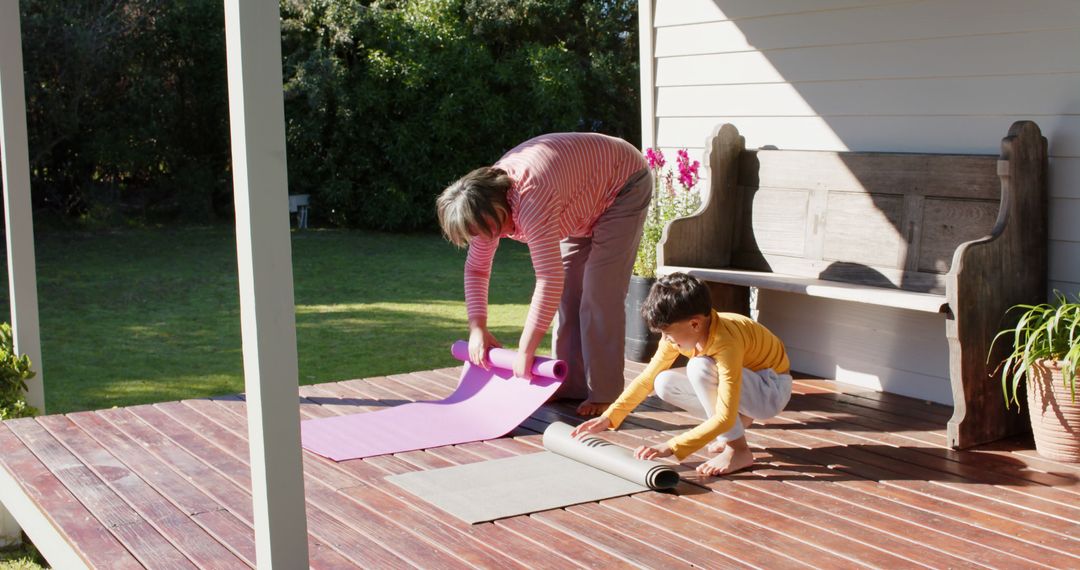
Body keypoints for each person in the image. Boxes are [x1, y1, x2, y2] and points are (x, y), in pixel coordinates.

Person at [436, 132, 651, 416]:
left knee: (599, 293)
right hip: (580, 199)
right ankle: (569, 384)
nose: (484, 236)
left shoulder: (531, 201)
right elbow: (476, 269)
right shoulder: (484, 209)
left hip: (623, 183)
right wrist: (478, 327)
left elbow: (548, 278)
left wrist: (526, 350)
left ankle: (606, 393)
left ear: (496, 206)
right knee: (569, 296)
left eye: (485, 228)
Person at [571, 272, 792, 475]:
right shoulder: (682, 333)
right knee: (663, 382)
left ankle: (738, 451)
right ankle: (737, 426)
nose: (666, 340)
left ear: (695, 323)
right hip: (749, 387)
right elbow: (647, 378)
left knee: (699, 368)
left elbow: (723, 417)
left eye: (667, 334)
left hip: (771, 390)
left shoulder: (726, 342)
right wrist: (610, 417)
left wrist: (671, 446)